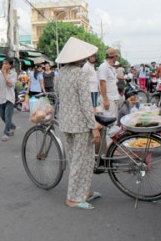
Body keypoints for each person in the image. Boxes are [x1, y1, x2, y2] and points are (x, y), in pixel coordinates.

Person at [56, 37, 102, 210]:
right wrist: (93, 126)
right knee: (82, 161)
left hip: (66, 122)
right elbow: (85, 103)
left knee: (74, 159)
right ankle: (73, 198)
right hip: (81, 125)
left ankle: (84, 191)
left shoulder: (61, 74)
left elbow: (59, 96)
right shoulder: (80, 74)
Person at [98, 48, 121, 118]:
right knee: (109, 120)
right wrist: (105, 100)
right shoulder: (104, 67)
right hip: (109, 99)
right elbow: (102, 83)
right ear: (114, 57)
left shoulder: (111, 68)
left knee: (114, 119)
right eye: (116, 56)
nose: (116, 58)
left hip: (113, 98)